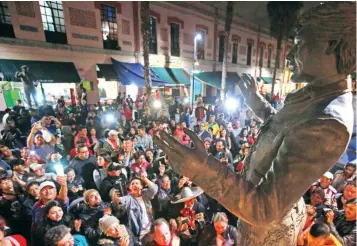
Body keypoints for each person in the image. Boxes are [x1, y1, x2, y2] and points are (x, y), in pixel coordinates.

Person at [154, 3, 356, 244]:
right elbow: (286, 131)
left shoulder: (328, 122)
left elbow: (263, 208)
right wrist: (255, 101)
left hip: (269, 232)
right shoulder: (317, 95)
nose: (290, 55)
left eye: (300, 45)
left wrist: (200, 168)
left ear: (332, 46)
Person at [111, 173, 158, 239]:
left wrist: (145, 179)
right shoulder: (128, 198)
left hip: (151, 229)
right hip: (140, 234)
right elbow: (117, 203)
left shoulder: (145, 194)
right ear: (130, 188)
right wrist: (114, 198)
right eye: (132, 184)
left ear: (141, 186)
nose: (134, 185)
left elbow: (154, 189)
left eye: (137, 183)